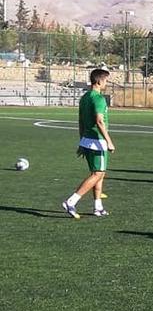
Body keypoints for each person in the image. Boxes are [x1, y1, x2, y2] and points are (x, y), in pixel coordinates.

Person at [61, 68, 116, 219]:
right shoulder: (98, 98)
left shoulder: (85, 97)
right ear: (99, 81)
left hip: (87, 139)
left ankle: (98, 207)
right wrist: (109, 141)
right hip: (97, 141)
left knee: (99, 174)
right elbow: (99, 121)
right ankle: (71, 201)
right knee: (98, 173)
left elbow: (80, 121)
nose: (106, 83)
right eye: (106, 80)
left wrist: (81, 141)